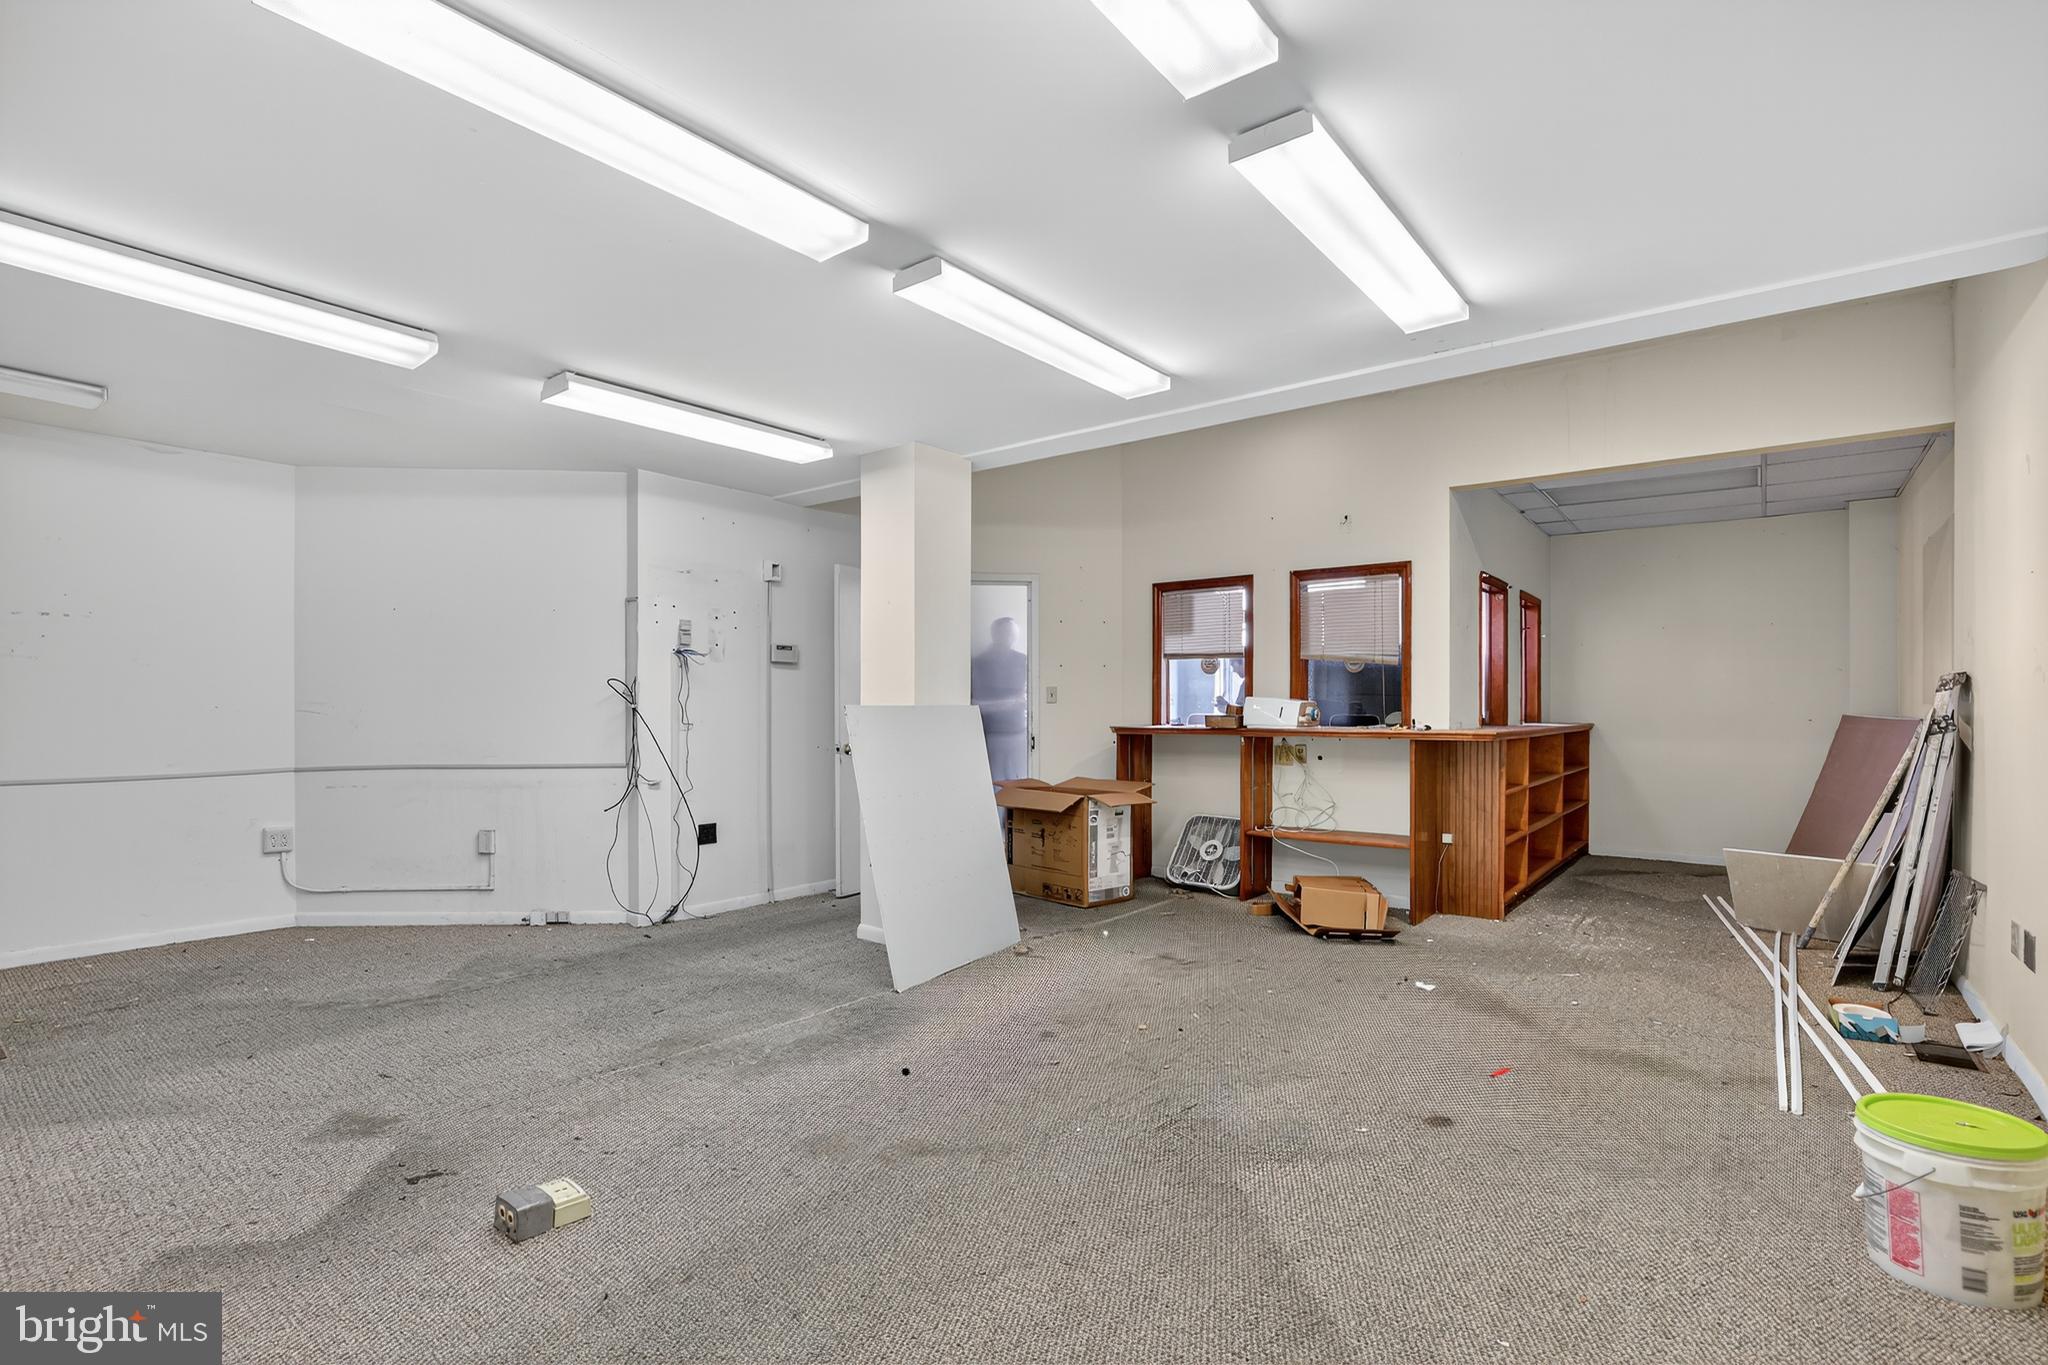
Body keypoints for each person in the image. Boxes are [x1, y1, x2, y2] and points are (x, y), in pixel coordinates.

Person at [971, 617, 1029, 784]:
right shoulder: (979, 663)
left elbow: (1028, 696)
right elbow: (974, 704)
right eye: (1004, 633)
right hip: (991, 735)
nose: (1008, 637)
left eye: (1012, 634)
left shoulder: (1023, 661)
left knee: (1019, 783)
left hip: (1019, 734)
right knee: (994, 784)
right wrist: (1009, 703)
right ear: (994, 634)